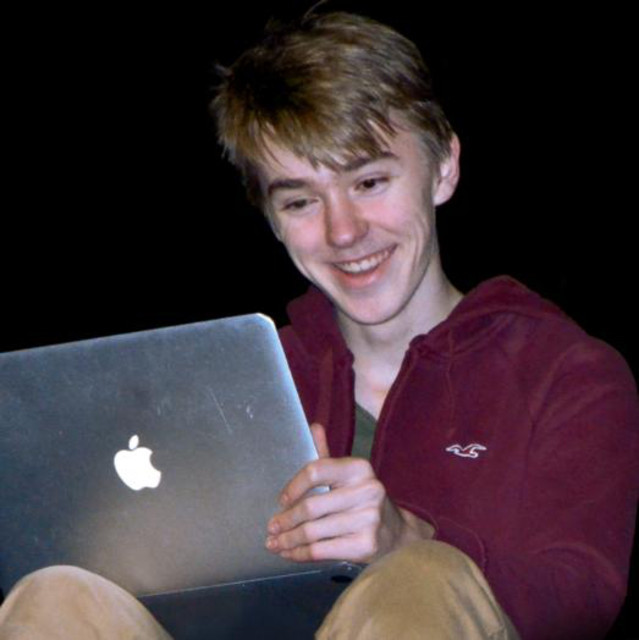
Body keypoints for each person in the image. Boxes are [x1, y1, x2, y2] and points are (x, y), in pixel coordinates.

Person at [1, 9, 637, 640]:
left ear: (444, 166)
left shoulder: (563, 372)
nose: (343, 232)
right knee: (54, 593)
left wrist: (410, 538)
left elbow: (582, 596)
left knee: (421, 575)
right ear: (271, 218)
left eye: (369, 181)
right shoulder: (224, 388)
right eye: (301, 201)